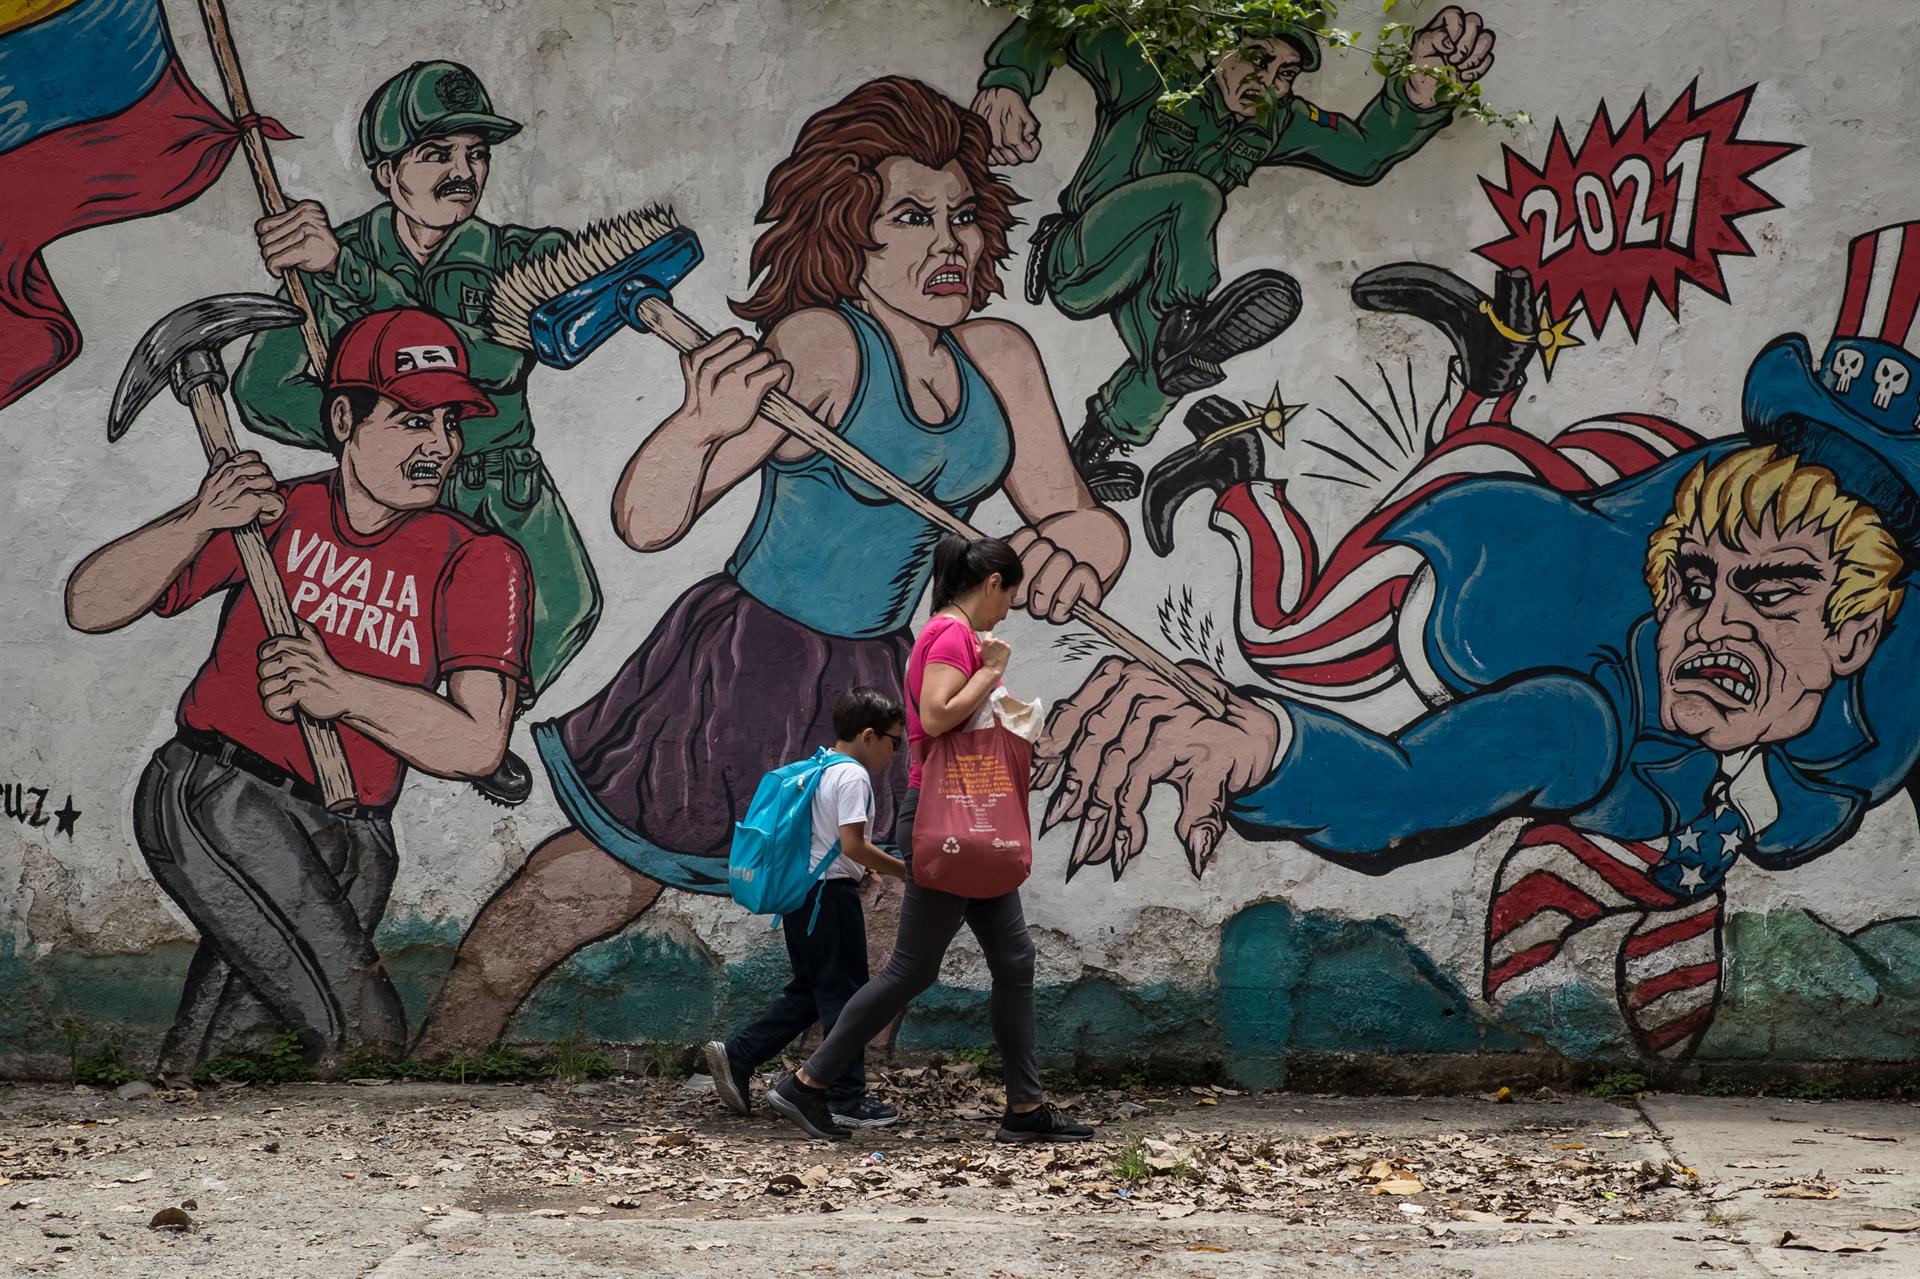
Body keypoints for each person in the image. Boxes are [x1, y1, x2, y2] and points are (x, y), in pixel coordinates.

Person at [1035, 222, 1920, 1058]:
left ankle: (1488, 385)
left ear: (1857, 631)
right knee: (1288, 638)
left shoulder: (1872, 718)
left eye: (1773, 596)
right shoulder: (1580, 707)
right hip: (1496, 545)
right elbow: (1406, 788)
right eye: (1694, 587)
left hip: (1611, 479)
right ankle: (1242, 477)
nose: (1714, 623)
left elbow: (1794, 795)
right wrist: (1269, 747)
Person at [409, 75, 1129, 1059]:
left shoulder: (998, 357)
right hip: (753, 655)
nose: (949, 243)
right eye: (911, 217)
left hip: (878, 667)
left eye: (962, 215)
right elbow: (648, 521)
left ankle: (833, 1082)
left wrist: (1074, 553)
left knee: (886, 892)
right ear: (847, 234)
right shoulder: (823, 346)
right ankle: (443, 1050)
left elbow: (1078, 516)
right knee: (621, 867)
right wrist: (700, 421)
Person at [66, 308, 532, 1072]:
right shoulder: (275, 517)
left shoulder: (480, 560)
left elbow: (478, 743)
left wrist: (341, 690)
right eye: (414, 420)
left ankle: (185, 1119)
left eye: (450, 422)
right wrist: (199, 517)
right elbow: (89, 604)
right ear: (345, 419)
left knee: (239, 1049)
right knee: (362, 1033)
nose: (440, 446)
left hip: (359, 834)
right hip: (223, 795)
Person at [231, 60, 601, 807]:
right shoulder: (322, 258)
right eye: (436, 154)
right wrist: (367, 435)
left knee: (564, 605)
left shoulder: (519, 257)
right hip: (392, 494)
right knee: (391, 625)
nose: (462, 172)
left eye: (476, 153)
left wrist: (348, 275)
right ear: (386, 172)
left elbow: (492, 359)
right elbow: (261, 390)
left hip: (501, 485)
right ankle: (417, 723)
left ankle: (478, 721)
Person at [973, 6, 1496, 499]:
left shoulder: (1274, 120)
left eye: (1285, 73)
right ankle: (1186, 327)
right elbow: (1062, 22)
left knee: (1179, 363)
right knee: (1195, 197)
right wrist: (1007, 81)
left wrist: (1417, 92)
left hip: (1156, 281)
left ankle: (1097, 445)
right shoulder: (1152, 75)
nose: (1268, 83)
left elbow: (1363, 153)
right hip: (1085, 260)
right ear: (1220, 48)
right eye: (1258, 59)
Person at [767, 535, 1093, 1143]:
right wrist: (992, 671)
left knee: (1014, 961)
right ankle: (806, 1084)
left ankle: (1025, 1109)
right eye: (1010, 595)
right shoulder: (949, 635)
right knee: (911, 971)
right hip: (948, 819)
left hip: (972, 820)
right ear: (992, 583)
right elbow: (939, 715)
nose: (1008, 610)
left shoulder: (961, 637)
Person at [703, 687, 909, 1132]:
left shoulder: (822, 767)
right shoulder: (853, 776)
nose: (896, 752)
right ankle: (844, 1097)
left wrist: (861, 869)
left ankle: (739, 1055)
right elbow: (853, 844)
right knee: (846, 997)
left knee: (812, 992)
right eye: (895, 742)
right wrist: (905, 871)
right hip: (828, 900)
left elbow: (828, 842)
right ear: (869, 735)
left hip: (805, 896)